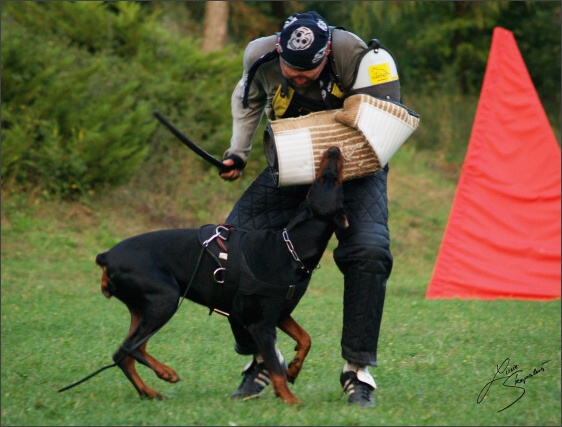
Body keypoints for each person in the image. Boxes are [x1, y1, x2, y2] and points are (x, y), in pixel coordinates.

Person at [219, 11, 394, 408]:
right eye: (291, 68)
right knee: (232, 246)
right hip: (292, 162)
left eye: (309, 68)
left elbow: (386, 119)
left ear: (327, 51)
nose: (298, 76)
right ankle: (264, 358)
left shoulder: (356, 54)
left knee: (369, 251)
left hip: (358, 165)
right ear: (279, 50)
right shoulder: (259, 56)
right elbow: (247, 98)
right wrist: (237, 153)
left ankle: (357, 371)